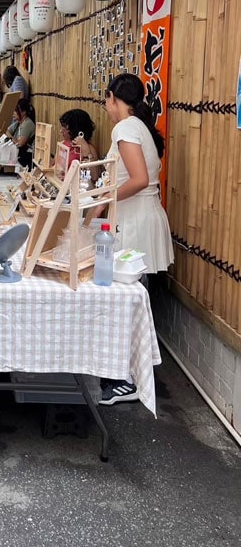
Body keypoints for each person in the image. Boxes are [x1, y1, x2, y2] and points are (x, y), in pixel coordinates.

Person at [98, 73, 174, 406]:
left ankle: (126, 379)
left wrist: (103, 199)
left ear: (114, 97)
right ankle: (129, 373)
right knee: (132, 298)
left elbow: (139, 179)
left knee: (125, 300)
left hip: (136, 221)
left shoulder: (125, 127)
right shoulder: (138, 126)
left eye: (106, 98)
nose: (105, 105)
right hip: (143, 216)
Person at [59, 108, 100, 183]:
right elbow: (57, 167)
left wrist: (86, 153)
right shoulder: (63, 144)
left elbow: (95, 178)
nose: (61, 131)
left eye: (65, 128)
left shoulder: (90, 148)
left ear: (75, 129)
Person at [7, 99, 36, 169]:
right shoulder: (17, 123)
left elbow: (20, 144)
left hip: (27, 159)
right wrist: (12, 138)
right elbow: (6, 131)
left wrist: (11, 138)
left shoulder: (28, 124)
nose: (13, 113)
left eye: (16, 111)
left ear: (24, 112)